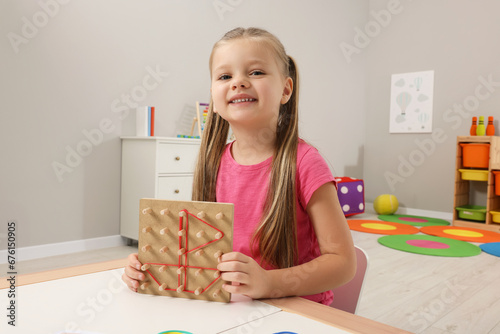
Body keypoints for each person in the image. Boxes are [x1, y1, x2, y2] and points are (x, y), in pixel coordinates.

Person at [122, 27, 356, 305]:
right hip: (236, 307)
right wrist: (153, 266)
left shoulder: (305, 163)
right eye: (225, 76)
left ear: (285, 89)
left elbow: (343, 263)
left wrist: (269, 283)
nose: (239, 82)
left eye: (256, 72)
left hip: (297, 310)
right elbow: (201, 250)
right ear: (214, 99)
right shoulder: (212, 161)